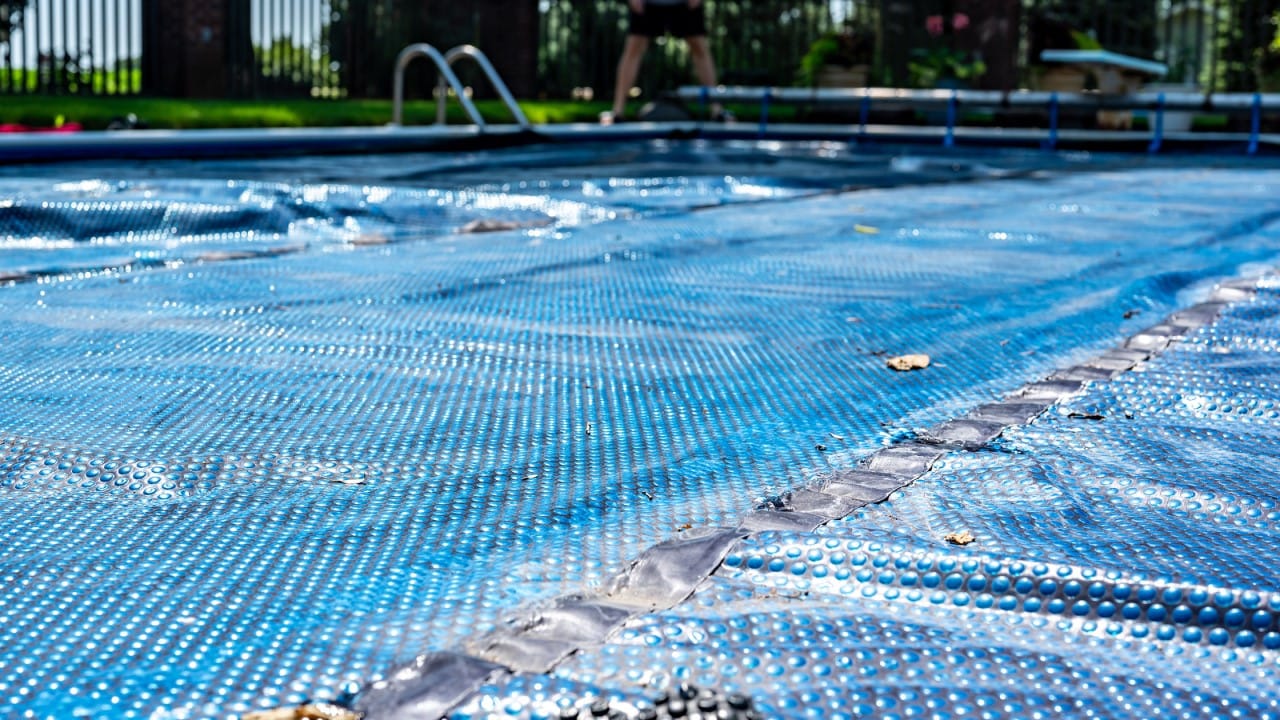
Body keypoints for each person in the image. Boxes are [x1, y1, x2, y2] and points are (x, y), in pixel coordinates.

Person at [602, 0, 731, 124]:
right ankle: (618, 111)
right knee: (633, 48)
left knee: (700, 48)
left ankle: (716, 109)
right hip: (648, 3)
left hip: (683, 3)